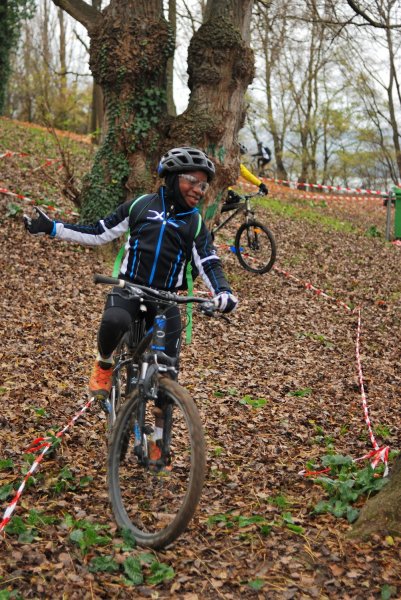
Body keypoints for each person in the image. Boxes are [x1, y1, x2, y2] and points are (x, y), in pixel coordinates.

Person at [24, 146, 238, 407]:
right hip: (129, 288)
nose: (198, 190)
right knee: (115, 321)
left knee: (167, 375)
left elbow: (208, 261)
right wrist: (53, 228)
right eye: (192, 181)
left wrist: (223, 292)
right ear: (171, 177)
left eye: (203, 186)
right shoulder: (140, 206)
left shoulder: (194, 224)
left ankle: (160, 441)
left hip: (165, 298)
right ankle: (104, 364)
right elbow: (98, 232)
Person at [224, 143, 268, 207]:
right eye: (237, 153)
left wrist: (260, 184)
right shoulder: (223, 160)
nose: (238, 156)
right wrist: (228, 190)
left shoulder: (237, 164)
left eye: (240, 155)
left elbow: (247, 174)